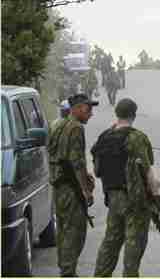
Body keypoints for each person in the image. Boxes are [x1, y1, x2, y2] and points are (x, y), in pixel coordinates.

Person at [92, 98, 160, 277]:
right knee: (134, 244)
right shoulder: (137, 138)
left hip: (113, 198)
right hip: (135, 201)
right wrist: (155, 197)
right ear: (134, 115)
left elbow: (97, 171)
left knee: (111, 241)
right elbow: (148, 172)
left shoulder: (104, 137)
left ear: (117, 113)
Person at [48, 94, 98, 277]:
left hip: (59, 187)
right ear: (76, 108)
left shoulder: (57, 124)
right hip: (70, 187)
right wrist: (86, 191)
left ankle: (65, 270)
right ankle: (68, 273)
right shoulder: (76, 128)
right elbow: (76, 162)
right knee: (75, 233)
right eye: (88, 109)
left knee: (63, 231)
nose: (91, 114)